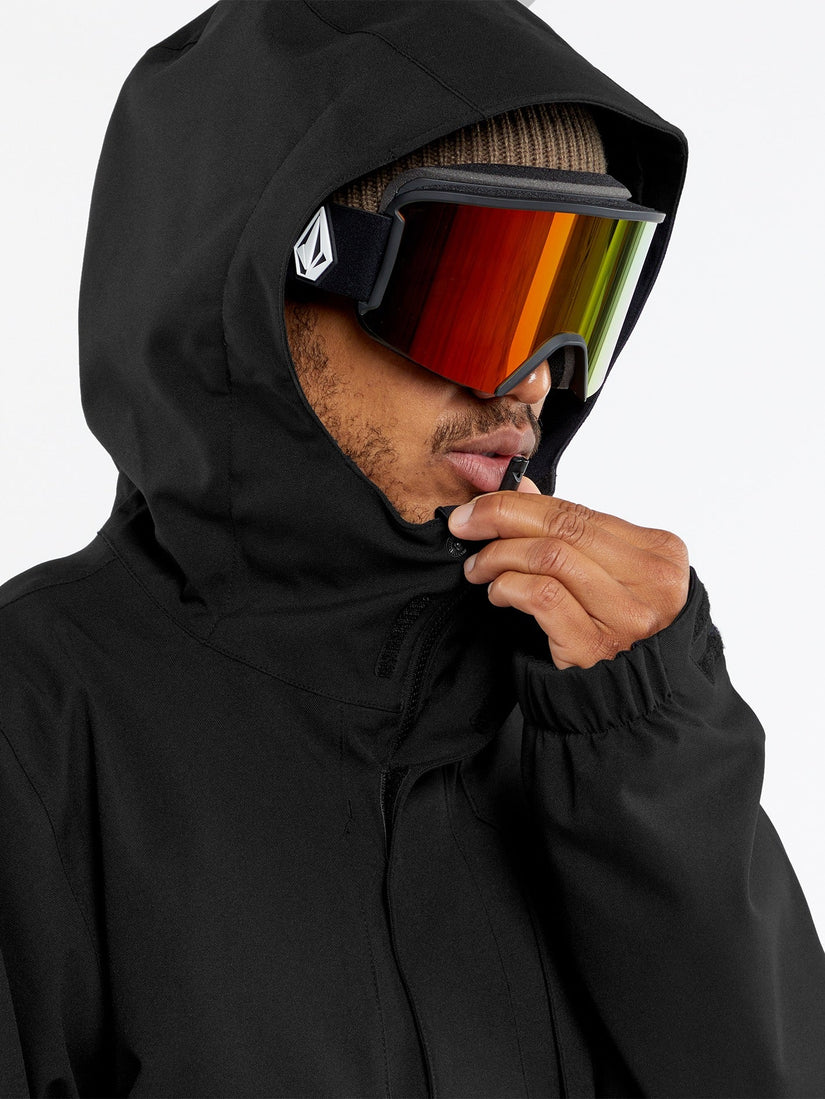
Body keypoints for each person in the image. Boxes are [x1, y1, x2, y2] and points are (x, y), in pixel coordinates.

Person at [1, 2, 823, 1097]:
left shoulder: (595, 703)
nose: (534, 379)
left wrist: (649, 755)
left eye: (580, 294)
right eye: (483, 290)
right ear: (270, 281)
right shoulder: (41, 721)